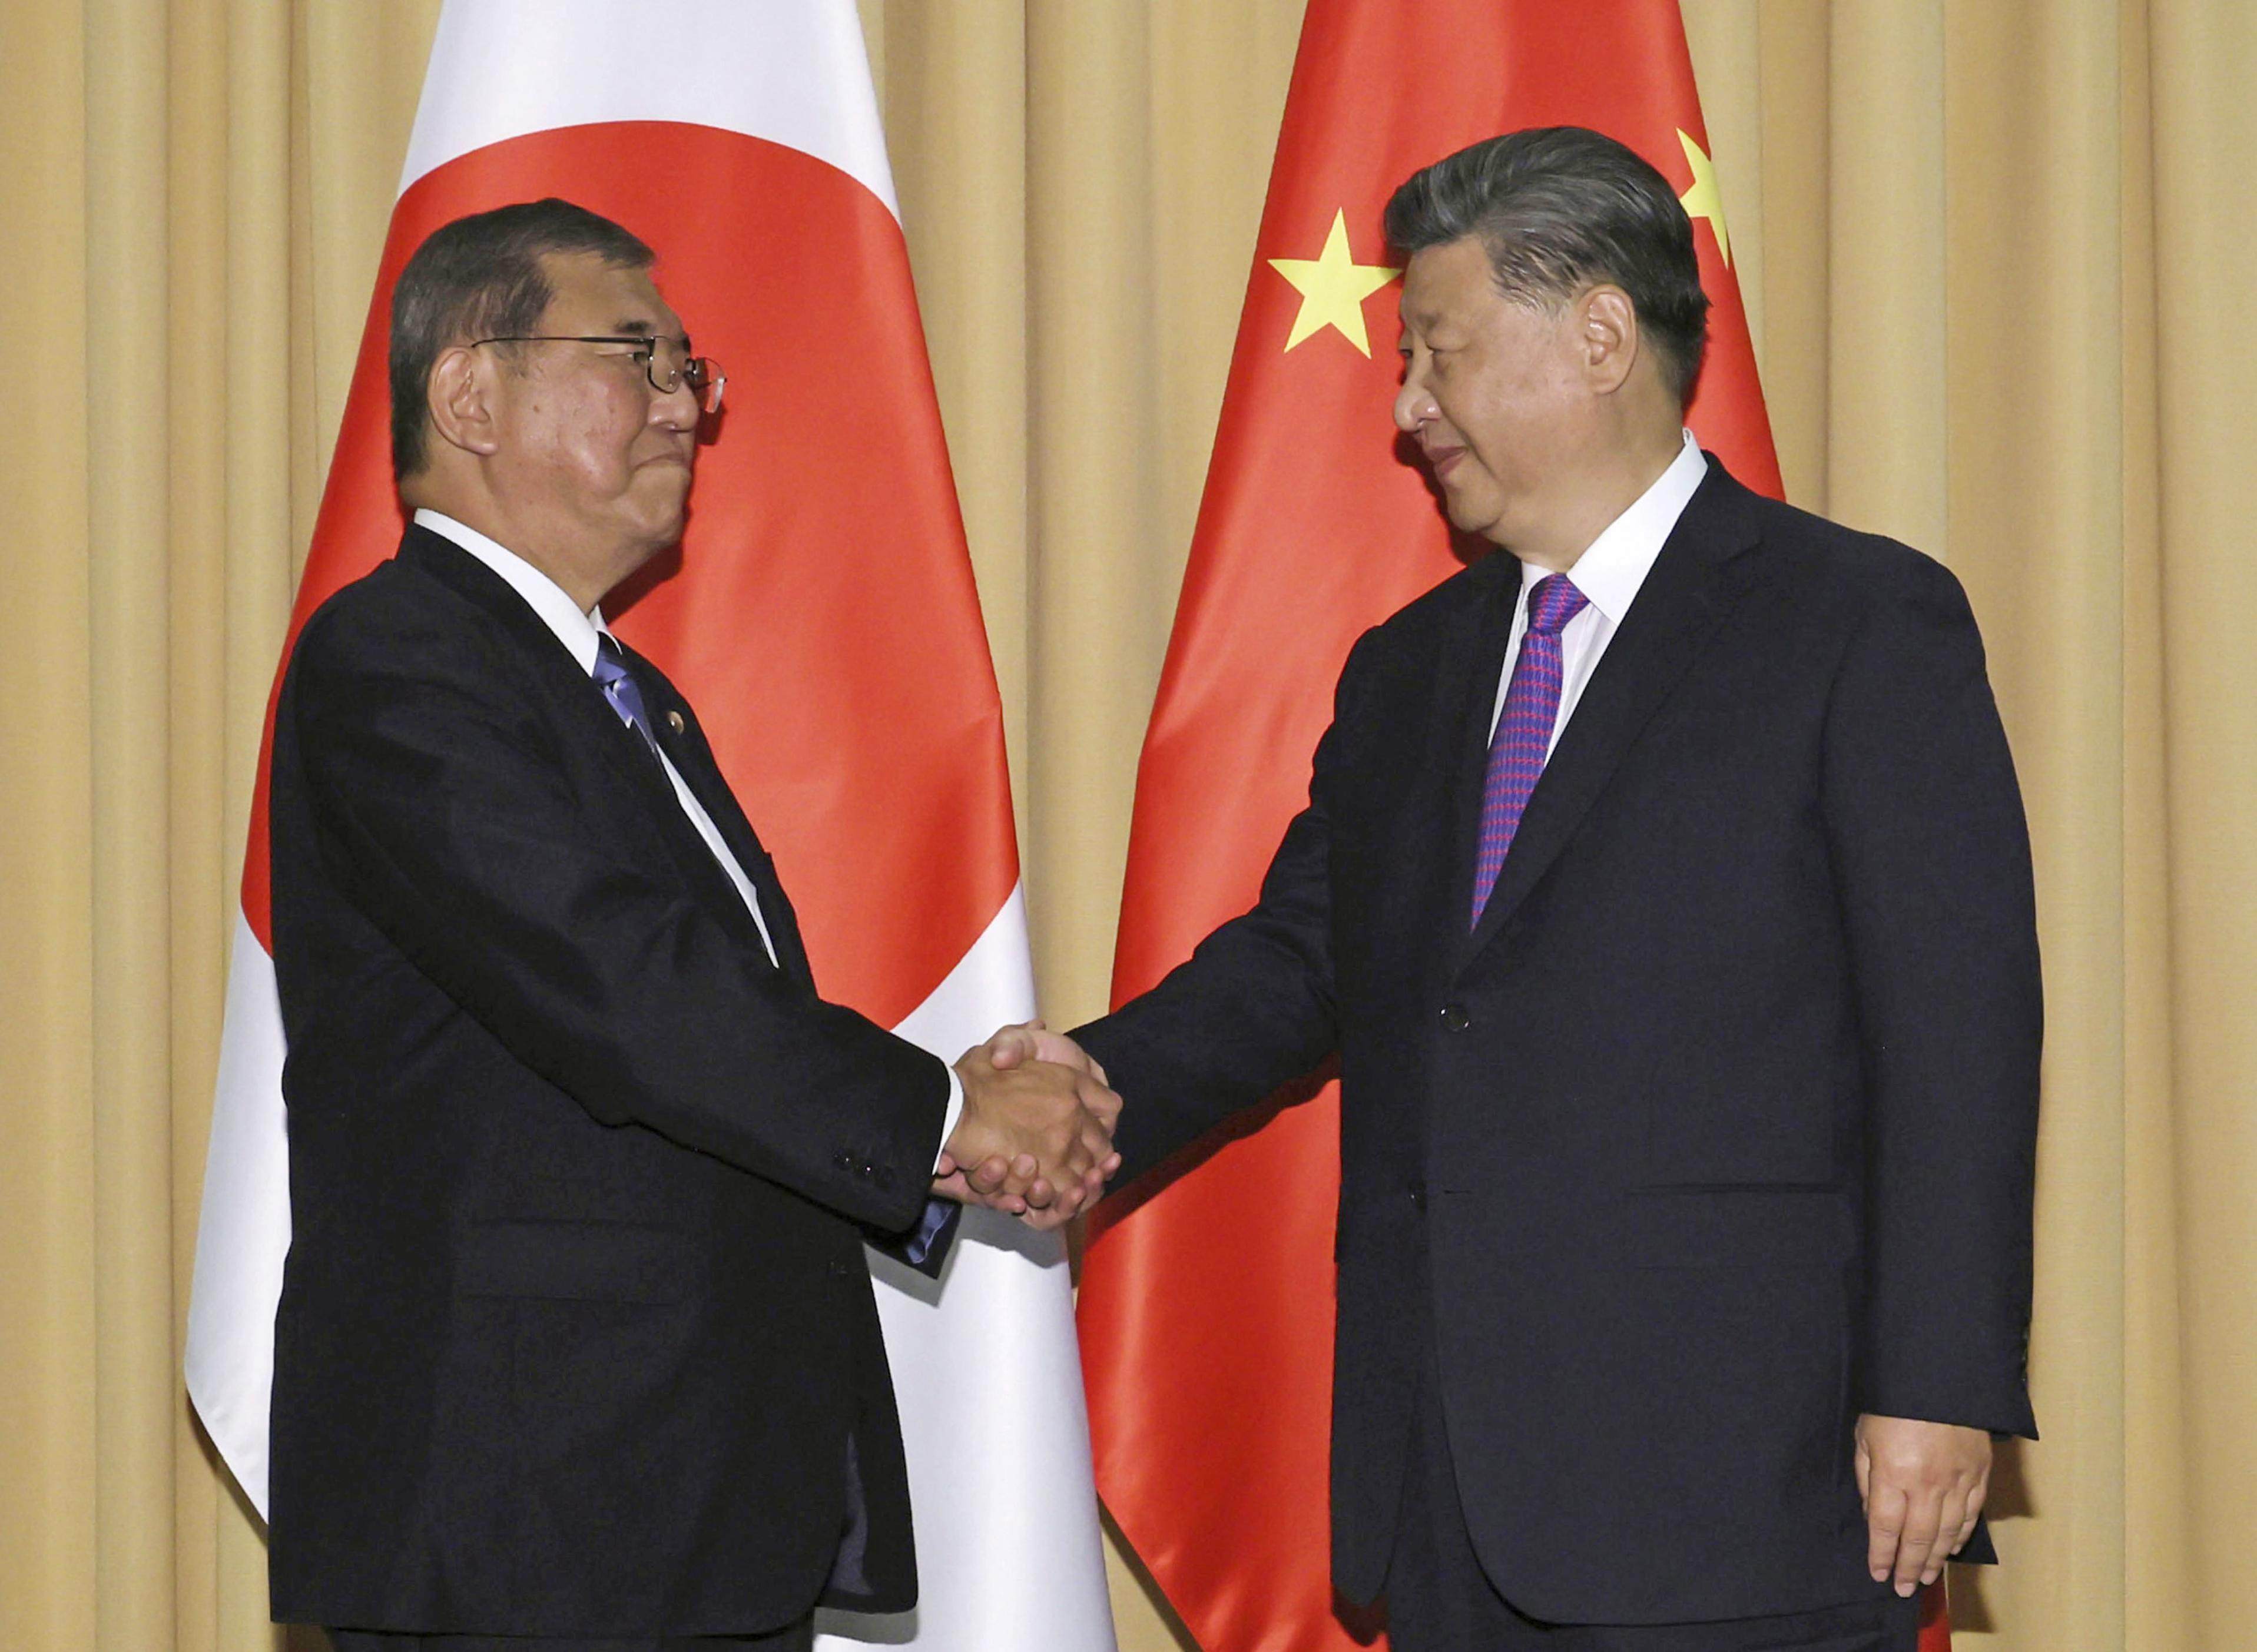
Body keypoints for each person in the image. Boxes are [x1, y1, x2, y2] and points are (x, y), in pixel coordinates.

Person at [993, 127, 2040, 1652]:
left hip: (1743, 1486)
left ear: (1600, 334)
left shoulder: (1855, 622)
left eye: (1439, 352)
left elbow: (1954, 1033)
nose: (1408, 407)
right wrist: (1090, 1079)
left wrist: (1937, 1382)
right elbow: (1301, 961)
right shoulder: (1407, 670)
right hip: (1447, 1489)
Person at [263, 198, 1115, 1652]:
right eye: (639, 356)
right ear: (470, 392)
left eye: (691, 370)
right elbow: (623, 988)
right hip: (523, 1511)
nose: (688, 404)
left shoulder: (625, 691)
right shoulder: (397, 659)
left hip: (681, 1497)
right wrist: (942, 1117)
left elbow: (710, 1024)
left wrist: (945, 1115)